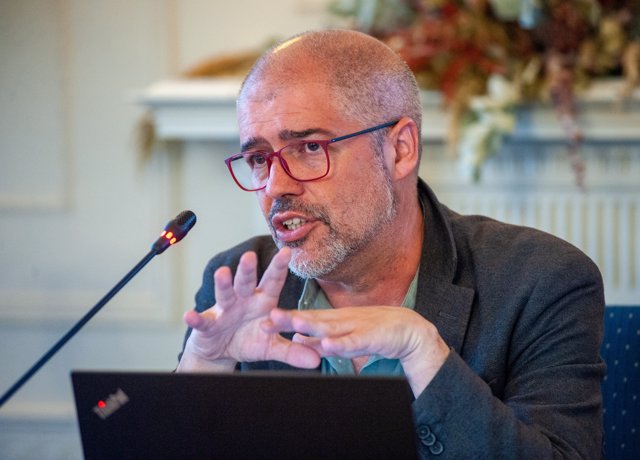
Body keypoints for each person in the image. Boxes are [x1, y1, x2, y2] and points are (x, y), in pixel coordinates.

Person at [176, 29, 605, 458]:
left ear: (400, 149)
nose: (276, 185)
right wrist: (204, 367)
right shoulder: (239, 282)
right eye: (258, 159)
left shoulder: (539, 281)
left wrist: (424, 353)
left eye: (308, 147)